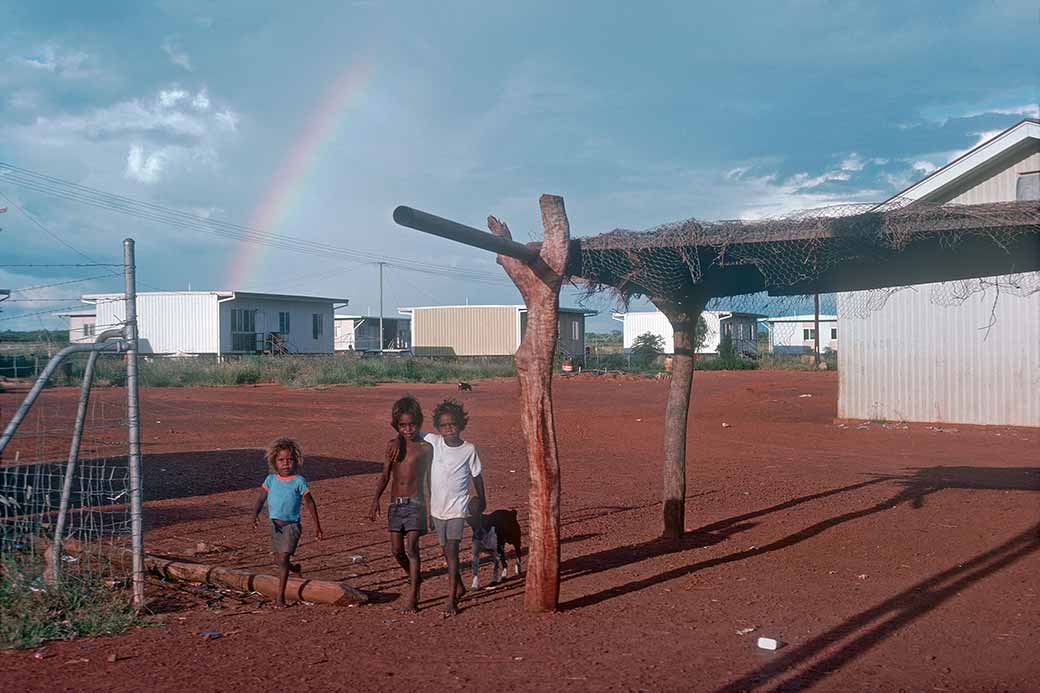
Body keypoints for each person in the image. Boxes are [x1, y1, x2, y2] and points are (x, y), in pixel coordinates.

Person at [369, 395, 433, 613]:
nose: (408, 429)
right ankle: (414, 577)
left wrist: (432, 510)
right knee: (396, 551)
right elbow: (385, 475)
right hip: (395, 505)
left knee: (412, 549)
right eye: (402, 426)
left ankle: (413, 596)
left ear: (419, 422)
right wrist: (375, 499)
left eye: (412, 424)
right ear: (397, 426)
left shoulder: (425, 448)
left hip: (416, 504)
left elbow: (430, 480)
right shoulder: (392, 446)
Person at [426, 398, 485, 616]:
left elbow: (477, 475)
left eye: (452, 424)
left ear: (461, 424)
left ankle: (452, 600)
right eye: (443, 425)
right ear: (437, 428)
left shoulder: (469, 449)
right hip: (437, 509)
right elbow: (409, 431)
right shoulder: (433, 441)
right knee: (445, 550)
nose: (448, 429)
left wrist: (482, 498)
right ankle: (458, 585)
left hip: (458, 509)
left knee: (452, 550)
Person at [252, 437, 323, 608]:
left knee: (283, 559)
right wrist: (254, 515)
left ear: (296, 461)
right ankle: (295, 569)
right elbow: (261, 498)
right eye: (281, 460)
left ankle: (280, 597)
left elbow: (310, 502)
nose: (286, 463)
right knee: (279, 561)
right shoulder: (270, 480)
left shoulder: (298, 481)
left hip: (291, 526)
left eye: (289, 460)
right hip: (275, 527)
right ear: (274, 461)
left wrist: (317, 527)